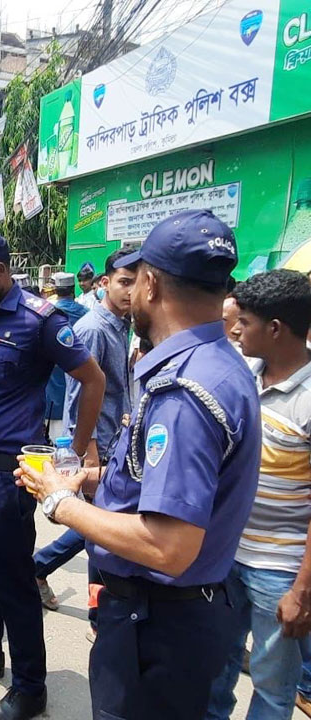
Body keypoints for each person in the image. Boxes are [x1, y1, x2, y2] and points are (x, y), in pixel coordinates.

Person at [16, 209, 261, 720]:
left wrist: (58, 499)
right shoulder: (214, 363)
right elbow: (167, 480)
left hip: (158, 624)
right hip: (173, 617)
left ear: (149, 284)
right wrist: (93, 476)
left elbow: (167, 546)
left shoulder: (185, 392)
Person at [0, 227, 105, 720]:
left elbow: (92, 380)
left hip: (5, 477)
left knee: (12, 578)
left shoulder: (40, 320)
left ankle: (30, 686)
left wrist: (71, 458)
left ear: (1, 272)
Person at [207, 269, 311, 720]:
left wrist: (302, 591)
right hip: (228, 554)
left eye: (244, 322)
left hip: (280, 570)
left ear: (275, 329)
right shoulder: (244, 375)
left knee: (271, 685)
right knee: (216, 666)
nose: (234, 329)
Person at [36, 248, 138, 612]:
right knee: (101, 529)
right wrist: (88, 451)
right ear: (104, 284)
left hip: (116, 437)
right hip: (99, 444)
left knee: (102, 525)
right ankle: (99, 612)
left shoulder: (122, 326)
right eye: (124, 282)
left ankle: (41, 567)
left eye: (138, 283)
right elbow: (81, 393)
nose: (131, 291)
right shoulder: (94, 328)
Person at [43, 272, 88, 441]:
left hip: (53, 382)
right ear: (72, 289)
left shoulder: (48, 313)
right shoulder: (86, 312)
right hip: (81, 375)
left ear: (55, 289)